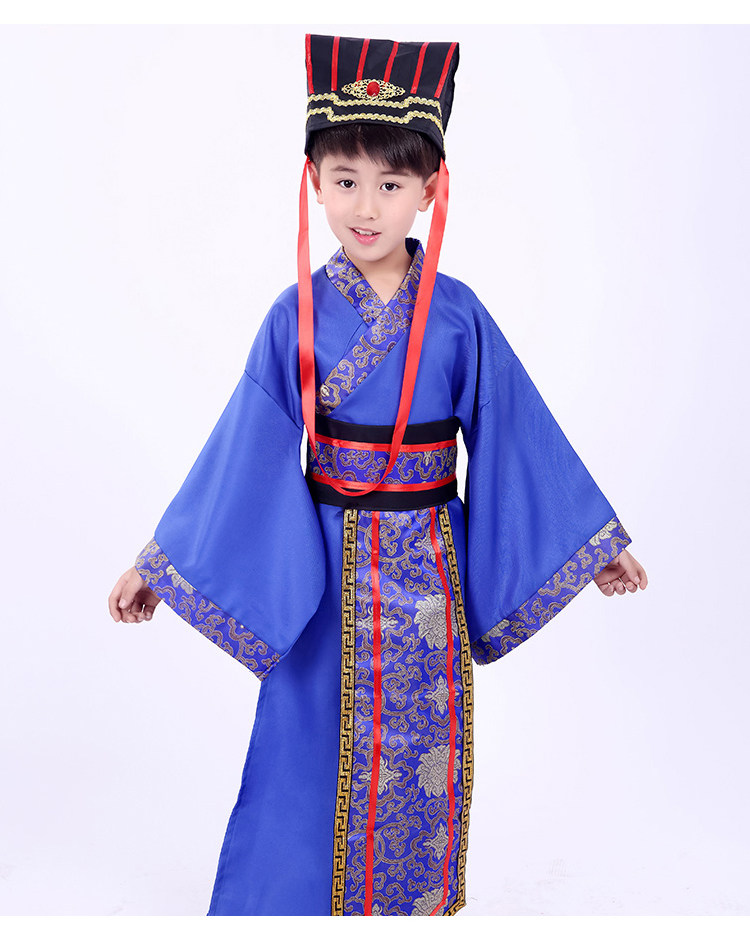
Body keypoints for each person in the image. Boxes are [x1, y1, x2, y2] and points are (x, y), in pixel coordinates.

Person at [108, 33, 647, 917]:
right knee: (304, 744)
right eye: (345, 179)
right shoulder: (294, 316)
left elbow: (516, 432)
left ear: (430, 188)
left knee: (420, 751)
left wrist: (590, 543)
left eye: (392, 184)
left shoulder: (459, 316)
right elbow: (243, 447)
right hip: (322, 571)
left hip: (428, 570)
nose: (367, 207)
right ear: (313, 180)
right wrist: (161, 562)